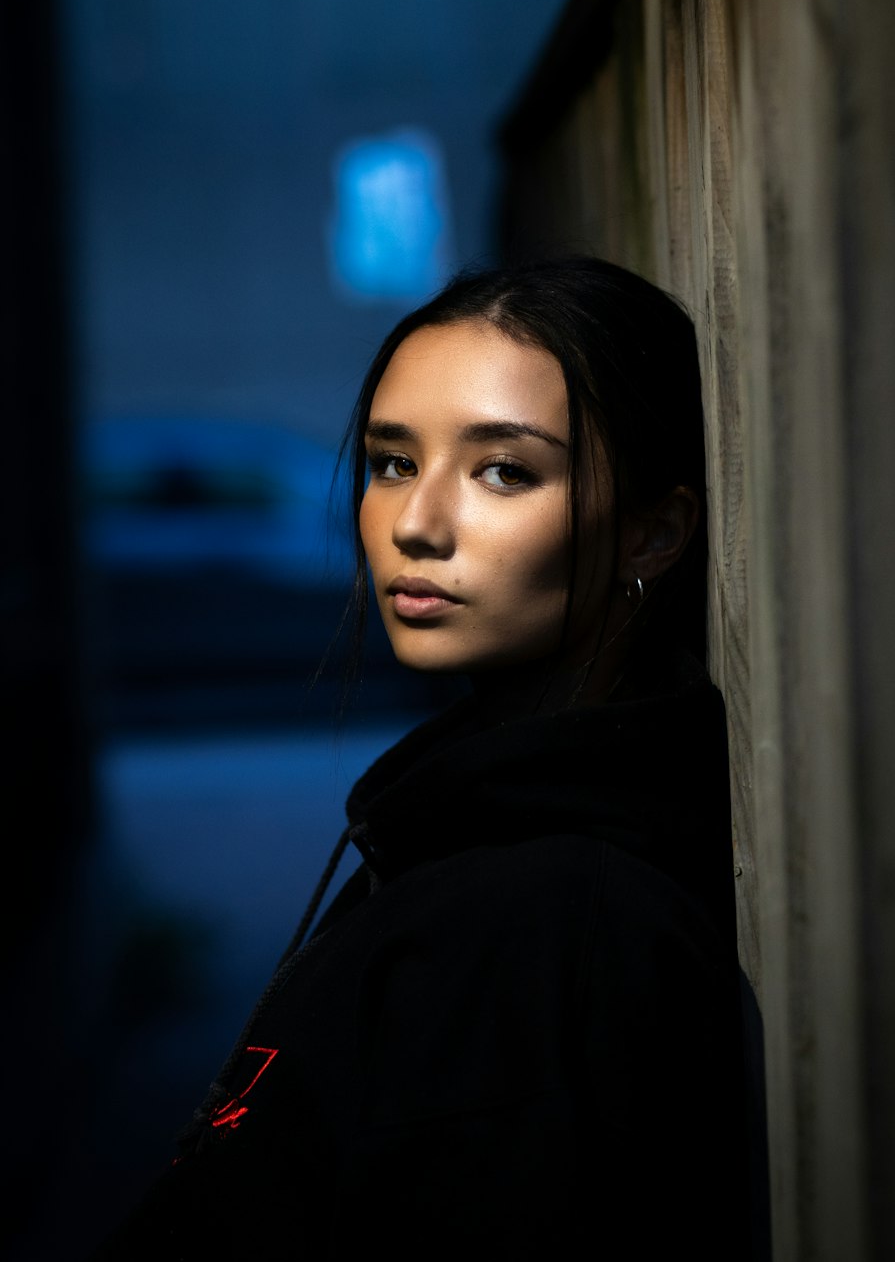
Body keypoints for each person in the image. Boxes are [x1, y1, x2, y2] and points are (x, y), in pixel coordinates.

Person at [89, 255, 750, 1258]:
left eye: (503, 471)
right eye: (393, 462)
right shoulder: (469, 829)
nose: (415, 524)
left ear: (653, 533)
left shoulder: (550, 921)